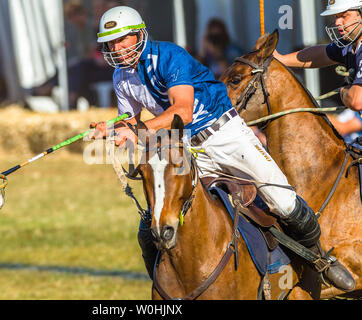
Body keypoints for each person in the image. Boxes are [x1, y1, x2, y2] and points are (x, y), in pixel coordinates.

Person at [88, 6, 355, 292]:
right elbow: (130, 121)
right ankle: (166, 286)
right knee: (151, 223)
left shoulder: (169, 56)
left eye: (122, 39)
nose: (117, 48)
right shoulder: (121, 77)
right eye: (110, 43)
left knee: (283, 201)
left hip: (225, 136)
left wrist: (139, 130)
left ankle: (321, 262)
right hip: (186, 149)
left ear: (139, 34)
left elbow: (183, 112)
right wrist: (114, 131)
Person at [274, 0, 362, 112]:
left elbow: (356, 101)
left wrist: (343, 91)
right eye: (336, 16)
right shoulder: (350, 43)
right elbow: (321, 54)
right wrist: (280, 59)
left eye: (344, 16)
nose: (337, 22)